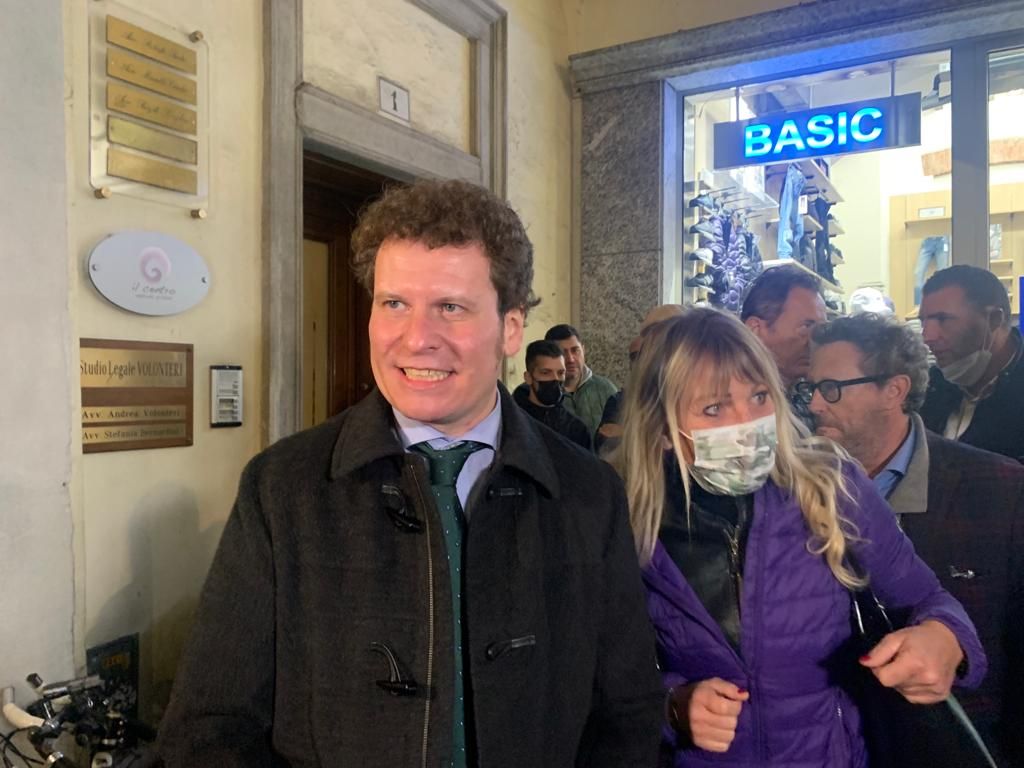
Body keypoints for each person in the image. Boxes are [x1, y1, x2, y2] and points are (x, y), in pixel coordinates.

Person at [157, 180, 663, 767]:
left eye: (450, 307)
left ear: (510, 328)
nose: (417, 338)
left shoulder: (587, 493)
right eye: (394, 303)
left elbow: (626, 714)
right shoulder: (282, 489)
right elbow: (211, 726)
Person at [610, 307, 986, 767]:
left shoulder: (830, 486)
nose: (748, 423)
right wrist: (672, 707)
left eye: (759, 396)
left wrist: (945, 638)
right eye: (714, 408)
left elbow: (927, 597)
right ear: (663, 428)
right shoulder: (625, 519)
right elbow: (603, 675)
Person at [807, 312, 1024, 765]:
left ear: (894, 390)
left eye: (831, 389)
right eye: (809, 389)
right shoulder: (791, 490)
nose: (814, 405)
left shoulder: (999, 490)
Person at [918, 265, 1024, 462]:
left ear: (994, 319)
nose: (928, 336)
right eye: (923, 321)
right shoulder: (930, 387)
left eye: (943, 319)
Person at [740, 265, 827, 430]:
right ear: (755, 329)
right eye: (806, 326)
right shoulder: (733, 404)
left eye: (821, 329)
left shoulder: (808, 395)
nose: (816, 340)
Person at [596, 304, 685, 455]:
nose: (648, 347)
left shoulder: (706, 390)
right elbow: (607, 444)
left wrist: (628, 435)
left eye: (656, 334)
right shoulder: (628, 400)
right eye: (646, 336)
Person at [543, 324, 618, 439]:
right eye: (562, 353)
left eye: (575, 350)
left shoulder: (606, 389)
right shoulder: (537, 393)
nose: (570, 359)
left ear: (583, 350)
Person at [513, 339, 591, 450]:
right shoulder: (511, 422)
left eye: (560, 373)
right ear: (528, 377)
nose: (555, 378)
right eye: (546, 373)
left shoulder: (577, 430)